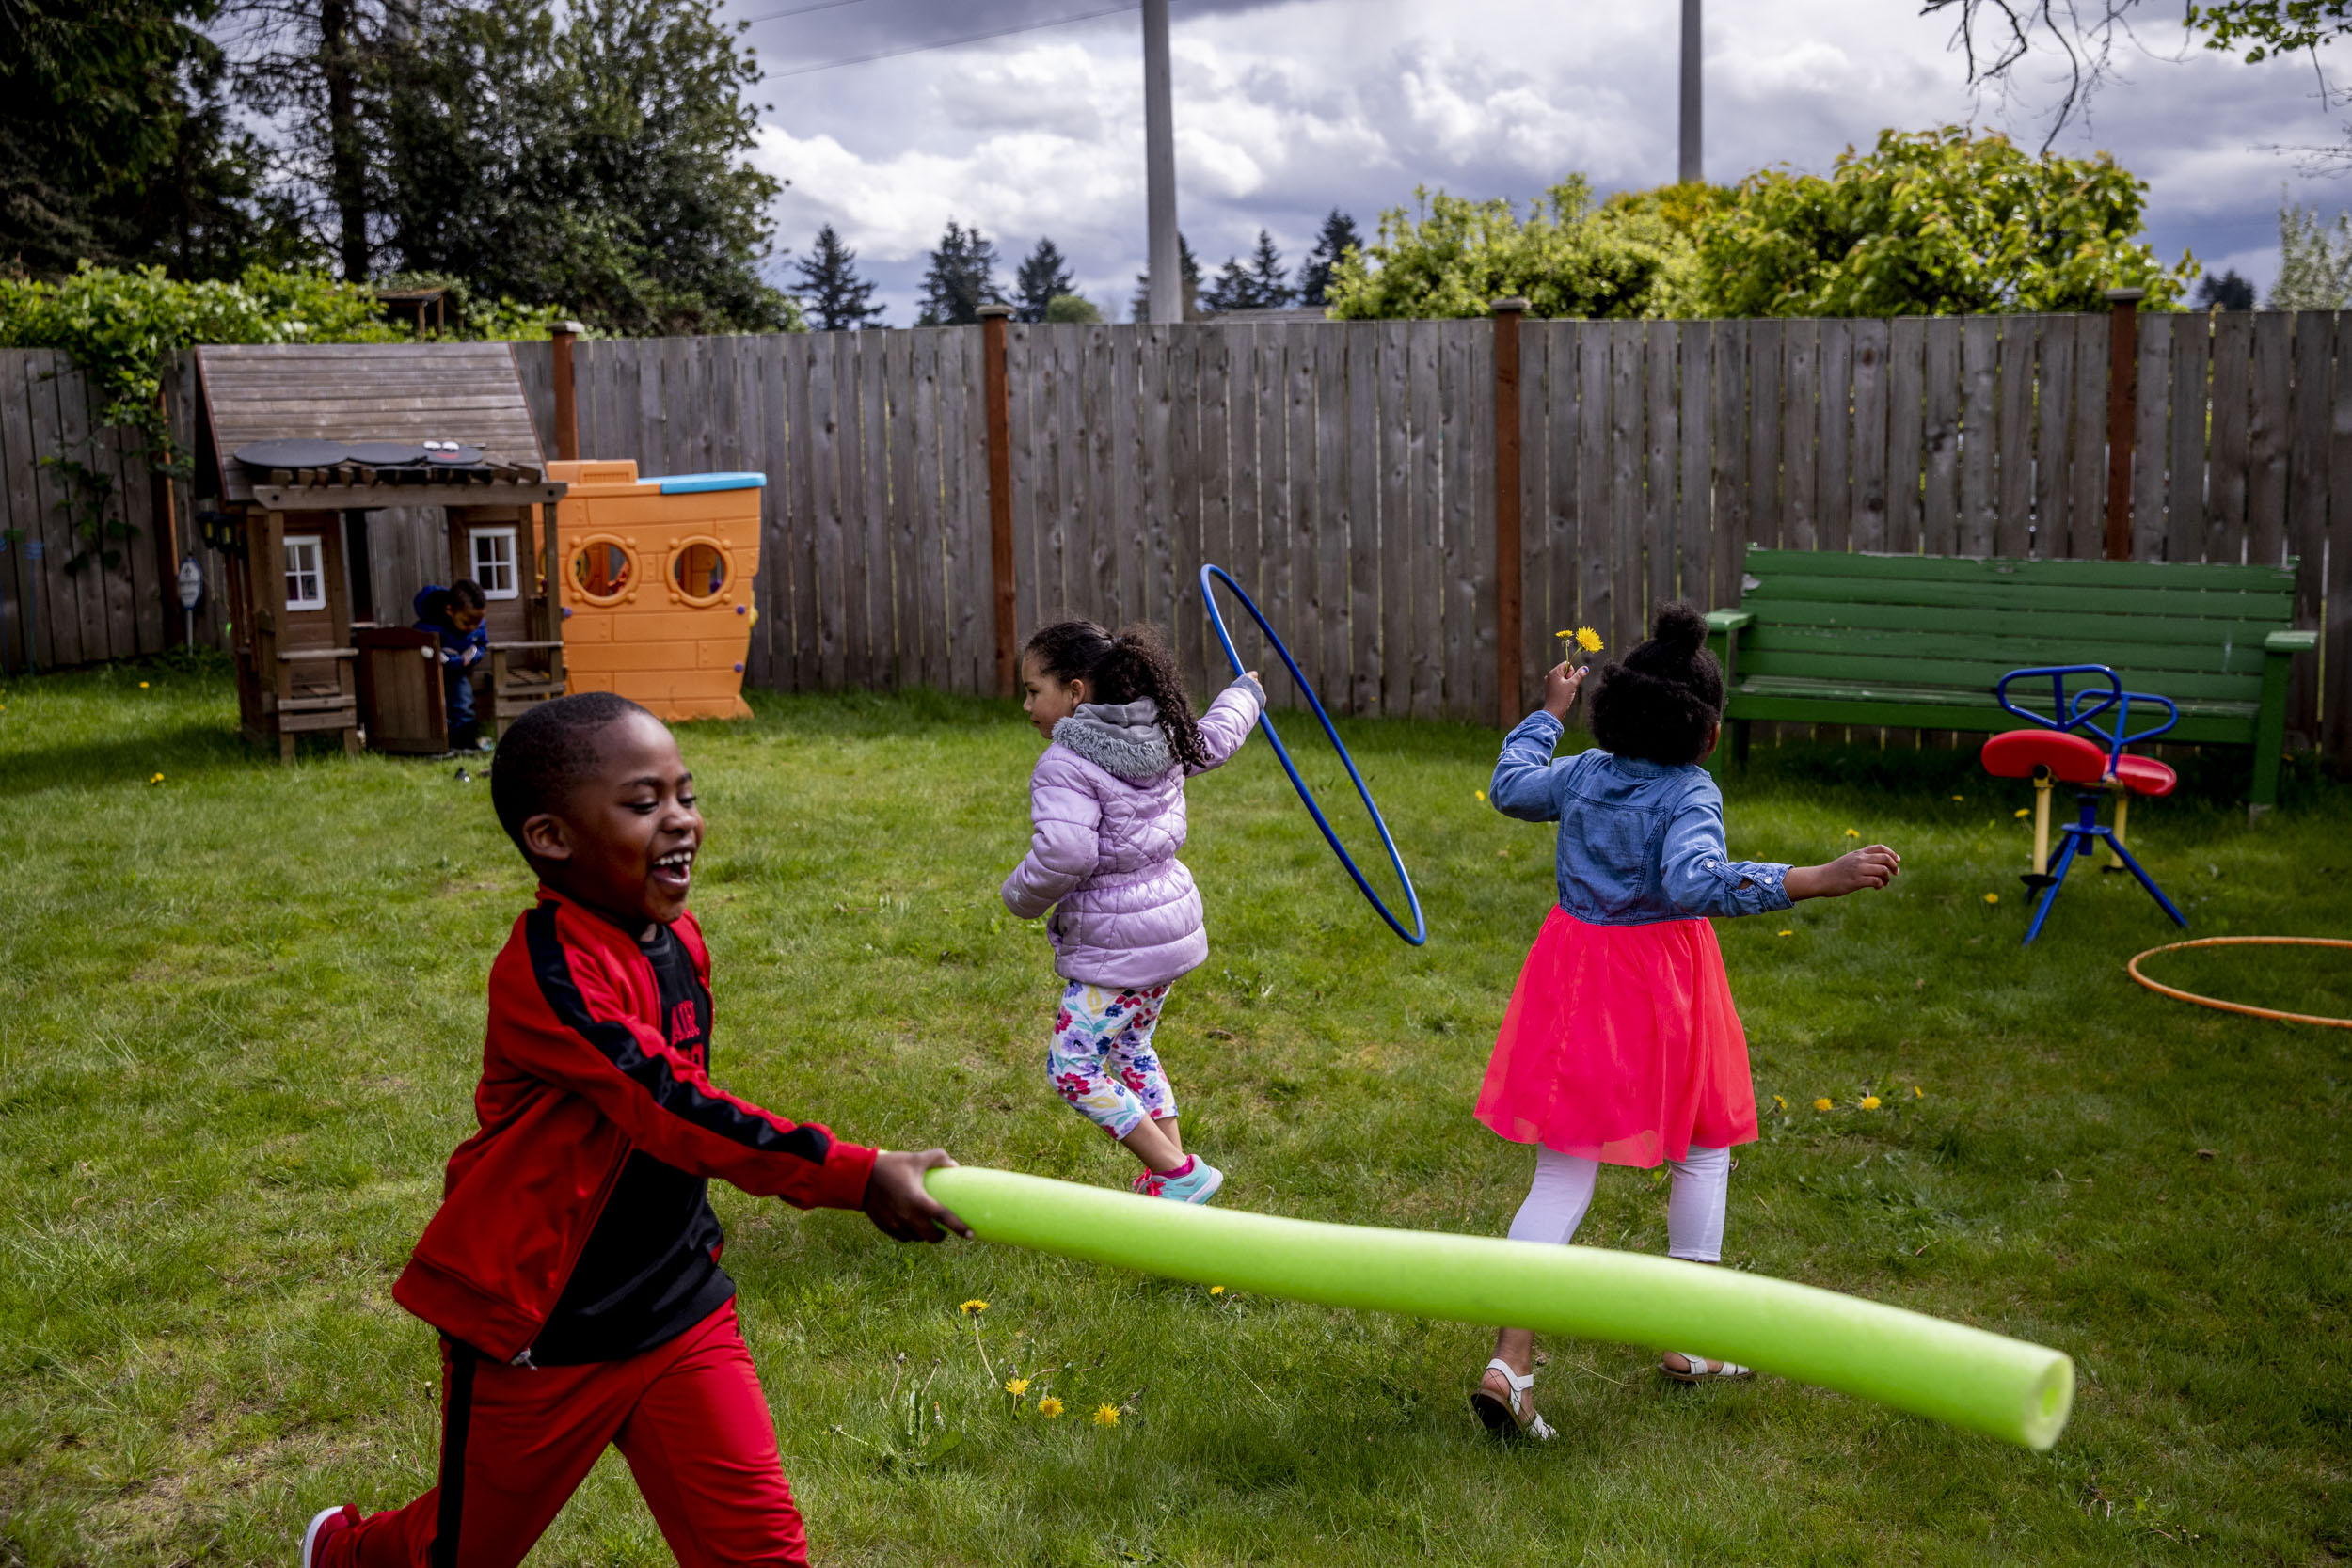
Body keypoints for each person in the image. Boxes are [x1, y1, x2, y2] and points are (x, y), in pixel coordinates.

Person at [299, 692, 967, 1567]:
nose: (682, 820)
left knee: (763, 1556)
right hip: (543, 1331)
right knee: (459, 1555)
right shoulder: (547, 972)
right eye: (644, 802)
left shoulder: (674, 937)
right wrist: (851, 1170)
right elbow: (666, 1101)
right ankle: (344, 1554)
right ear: (552, 837)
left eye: (685, 794)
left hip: (678, 1304)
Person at [1467, 603, 1900, 1439]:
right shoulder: (1691, 790)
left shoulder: (1586, 770)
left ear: (1614, 711)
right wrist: (1816, 875)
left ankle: (1509, 1360)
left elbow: (1512, 788)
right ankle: (1690, 1335)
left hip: (1574, 975)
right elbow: (1696, 881)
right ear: (1705, 736)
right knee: (1704, 1143)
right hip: (1660, 987)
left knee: (1562, 1173)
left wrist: (1546, 716)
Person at [1001, 622, 1263, 1203]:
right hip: (1169, 930)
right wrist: (1246, 692)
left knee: (1071, 1067)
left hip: (1116, 947)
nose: (1026, 705)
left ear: (1073, 693)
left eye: (1032, 690)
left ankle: (1178, 1172)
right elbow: (1218, 735)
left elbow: (1067, 852)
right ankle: (1171, 1180)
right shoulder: (1161, 733)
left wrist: (1017, 895)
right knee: (1131, 1048)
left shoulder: (1066, 763)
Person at [413, 580, 489, 751]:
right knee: (438, 706)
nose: (473, 627)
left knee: (464, 702)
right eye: (466, 622)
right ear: (450, 611)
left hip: (457, 673)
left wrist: (473, 656)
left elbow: (481, 644)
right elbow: (422, 646)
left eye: (478, 622)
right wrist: (449, 659)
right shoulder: (431, 623)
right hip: (430, 674)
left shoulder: (476, 623)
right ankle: (442, 744)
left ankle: (464, 743)